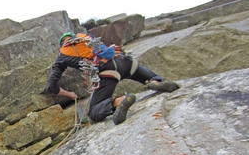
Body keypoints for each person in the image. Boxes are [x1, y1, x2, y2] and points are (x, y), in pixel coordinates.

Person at [46, 32, 179, 125]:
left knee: (93, 113)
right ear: (72, 36)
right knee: (141, 72)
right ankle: (156, 81)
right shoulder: (86, 36)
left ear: (62, 44)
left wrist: (69, 94)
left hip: (108, 70)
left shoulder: (62, 55)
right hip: (124, 59)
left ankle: (119, 101)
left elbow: (50, 86)